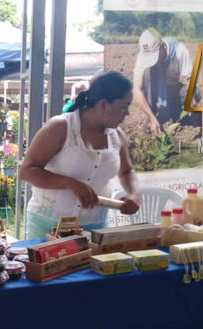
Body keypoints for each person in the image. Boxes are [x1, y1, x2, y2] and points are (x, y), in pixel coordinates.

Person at [20, 71, 141, 239]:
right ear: (103, 105)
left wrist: (134, 193)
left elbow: (127, 171)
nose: (127, 113)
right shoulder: (60, 127)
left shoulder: (117, 135)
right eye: (123, 106)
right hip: (49, 226)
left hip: (97, 227)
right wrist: (69, 183)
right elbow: (27, 171)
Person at [133, 28, 198, 136]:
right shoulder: (143, 55)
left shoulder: (179, 50)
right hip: (155, 87)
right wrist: (152, 118)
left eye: (156, 55)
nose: (154, 61)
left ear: (162, 45)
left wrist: (191, 98)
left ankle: (178, 111)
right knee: (147, 73)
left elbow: (190, 78)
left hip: (173, 87)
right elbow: (137, 90)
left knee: (197, 93)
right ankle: (153, 116)